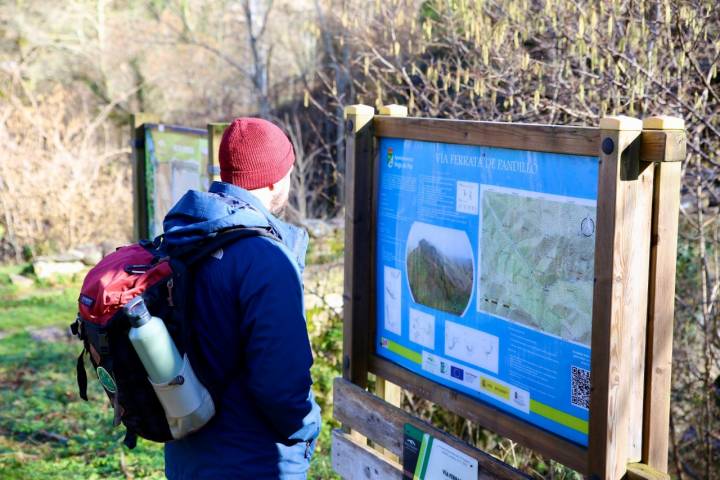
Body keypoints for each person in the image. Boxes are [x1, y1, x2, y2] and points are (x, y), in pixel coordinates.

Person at [161, 117, 321, 479]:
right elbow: (281, 385)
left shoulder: (186, 234)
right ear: (274, 179)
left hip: (189, 454)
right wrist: (310, 427)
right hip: (254, 461)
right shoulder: (266, 259)